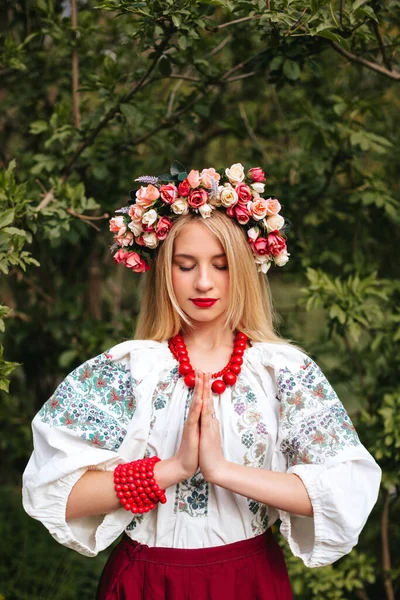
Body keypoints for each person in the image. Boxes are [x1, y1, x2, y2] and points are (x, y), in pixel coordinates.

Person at [22, 163, 381, 599]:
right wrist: (171, 470)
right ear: (163, 272)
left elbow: (344, 490)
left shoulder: (284, 372)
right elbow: (57, 493)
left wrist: (223, 471)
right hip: (147, 582)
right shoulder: (127, 369)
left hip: (248, 581)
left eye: (222, 265)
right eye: (186, 265)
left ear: (247, 269)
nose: (205, 282)